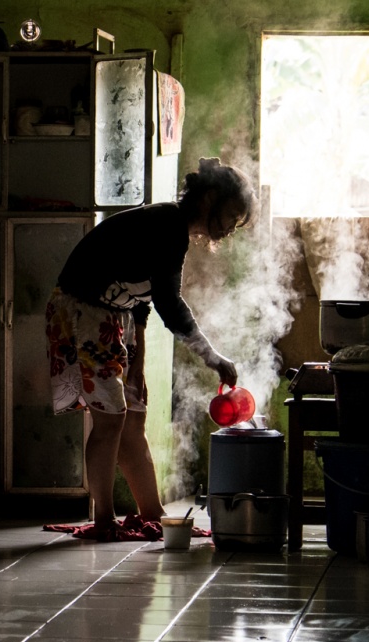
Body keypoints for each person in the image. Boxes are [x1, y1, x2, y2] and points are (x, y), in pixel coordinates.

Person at [45, 157, 257, 540]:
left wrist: (138, 363)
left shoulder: (171, 230)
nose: (230, 229)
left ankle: (152, 513)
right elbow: (168, 304)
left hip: (115, 317)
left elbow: (140, 304)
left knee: (133, 418)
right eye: (231, 216)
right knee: (109, 420)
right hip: (82, 312)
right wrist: (213, 357)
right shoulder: (167, 226)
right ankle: (104, 519)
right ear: (209, 199)